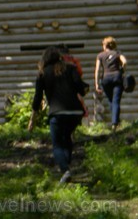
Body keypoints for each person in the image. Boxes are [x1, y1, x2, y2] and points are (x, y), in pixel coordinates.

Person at [28, 45, 88, 183]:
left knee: (57, 144)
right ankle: (66, 168)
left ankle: (65, 170)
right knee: (67, 138)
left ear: (45, 59)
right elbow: (81, 88)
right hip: (75, 112)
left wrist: (32, 119)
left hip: (57, 113)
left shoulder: (42, 73)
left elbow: (37, 98)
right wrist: (85, 88)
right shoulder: (71, 69)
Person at [94, 36, 127, 132]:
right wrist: (122, 70)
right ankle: (115, 123)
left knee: (111, 101)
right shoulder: (117, 53)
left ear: (105, 45)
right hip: (117, 78)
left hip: (106, 79)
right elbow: (124, 62)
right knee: (116, 101)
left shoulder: (100, 55)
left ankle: (116, 122)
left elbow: (97, 70)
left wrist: (97, 84)